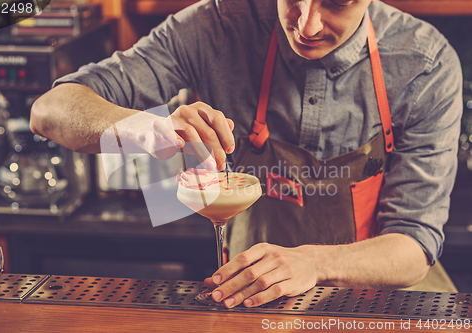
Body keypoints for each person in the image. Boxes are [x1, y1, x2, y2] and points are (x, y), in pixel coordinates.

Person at [29, 0, 463, 309]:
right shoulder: (216, 24)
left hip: (382, 306)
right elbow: (49, 112)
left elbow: (414, 245)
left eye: (336, 3)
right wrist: (146, 127)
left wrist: (312, 262)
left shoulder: (425, 63)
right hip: (253, 298)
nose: (307, 25)